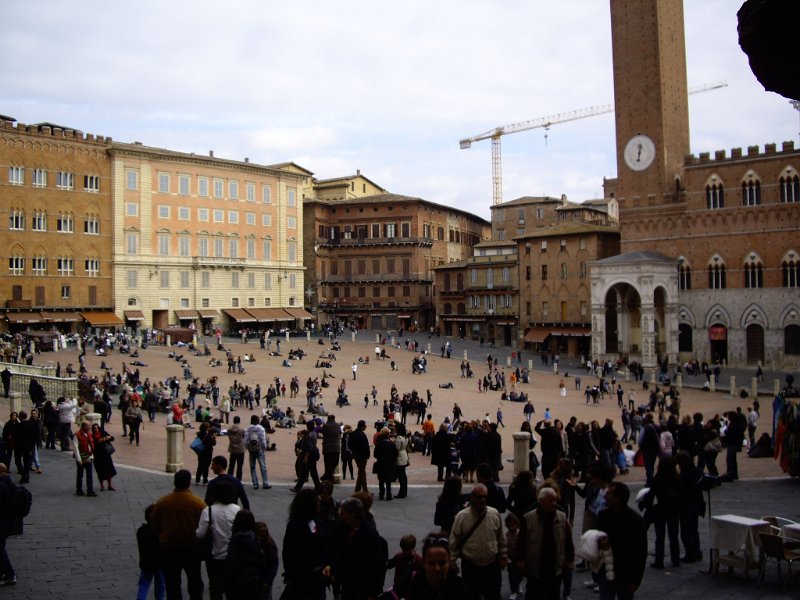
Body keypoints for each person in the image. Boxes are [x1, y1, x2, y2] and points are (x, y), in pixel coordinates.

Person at [151, 470, 207, 600]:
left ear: (174, 482)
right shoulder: (198, 503)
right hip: (192, 548)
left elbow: (154, 525)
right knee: (195, 581)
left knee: (172, 583)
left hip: (169, 549)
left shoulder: (163, 502)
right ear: (189, 483)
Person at [449, 484, 507, 600]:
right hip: (471, 565)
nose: (482, 500)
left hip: (491, 565)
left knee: (493, 594)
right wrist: (452, 560)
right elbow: (454, 540)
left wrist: (503, 556)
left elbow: (501, 537)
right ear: (471, 498)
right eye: (479, 497)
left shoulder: (494, 514)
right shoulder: (462, 517)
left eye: (485, 497)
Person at [323, 497, 388, 600]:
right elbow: (336, 548)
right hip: (348, 584)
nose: (340, 515)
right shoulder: (343, 527)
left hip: (363, 587)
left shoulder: (370, 536)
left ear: (352, 515)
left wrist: (373, 593)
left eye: (343, 513)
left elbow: (377, 566)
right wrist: (331, 566)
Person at [517, 486, 575, 600]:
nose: (554, 503)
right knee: (534, 593)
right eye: (550, 500)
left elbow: (568, 539)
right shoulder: (529, 518)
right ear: (541, 501)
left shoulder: (561, 517)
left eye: (554, 500)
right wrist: (520, 559)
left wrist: (570, 559)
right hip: (536, 564)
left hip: (555, 563)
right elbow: (522, 540)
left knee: (553, 593)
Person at [380, 531, 470, 599]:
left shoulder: (459, 588)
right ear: (423, 562)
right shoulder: (411, 580)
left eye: (442, 563)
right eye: (431, 563)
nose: (437, 568)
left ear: (449, 562)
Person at [596, 482, 647, 600]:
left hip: (625, 573)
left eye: (609, 494)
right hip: (606, 570)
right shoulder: (603, 515)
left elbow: (640, 551)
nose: (605, 496)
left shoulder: (635, 520)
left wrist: (635, 579)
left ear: (618, 498)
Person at [195, 480, 241, 600]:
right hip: (232, 555)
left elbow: (200, 534)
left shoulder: (208, 511)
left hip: (214, 556)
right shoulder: (237, 509)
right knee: (231, 585)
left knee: (215, 586)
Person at [282, 488, 326, 599]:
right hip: (302, 577)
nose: (319, 504)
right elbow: (288, 551)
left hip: (317, 576)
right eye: (317, 501)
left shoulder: (316, 520)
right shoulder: (295, 525)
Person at [224, 511, 273, 600]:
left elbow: (230, 567)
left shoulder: (234, 542)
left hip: (237, 586)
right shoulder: (255, 541)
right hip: (253, 587)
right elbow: (261, 564)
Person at [648, 456, 681, 569]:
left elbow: (652, 493)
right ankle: (675, 559)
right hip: (673, 508)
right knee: (674, 535)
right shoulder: (676, 477)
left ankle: (659, 560)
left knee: (660, 536)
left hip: (661, 508)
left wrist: (648, 507)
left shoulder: (658, 477)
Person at [675, 450, 704, 564]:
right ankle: (696, 551)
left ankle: (690, 554)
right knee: (694, 529)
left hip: (686, 504)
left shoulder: (684, 474)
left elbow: (681, 489)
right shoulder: (697, 471)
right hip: (696, 503)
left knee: (686, 531)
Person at [136, 504, 166, 600]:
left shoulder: (141, 531)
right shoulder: (160, 532)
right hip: (160, 563)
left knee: (143, 585)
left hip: (146, 563)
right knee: (160, 585)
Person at [0, 464, 17, 586]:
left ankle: (10, 574)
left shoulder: (2, 486)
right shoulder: (9, 483)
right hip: (8, 521)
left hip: (2, 521)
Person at [244, 415, 271, 490]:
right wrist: (264, 447)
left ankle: (255, 483)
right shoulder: (261, 428)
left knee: (252, 467)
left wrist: (247, 447)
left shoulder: (248, 428)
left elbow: (245, 440)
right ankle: (265, 483)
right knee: (263, 466)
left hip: (251, 449)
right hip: (259, 449)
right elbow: (263, 439)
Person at [374, 427, 399, 501]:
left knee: (381, 480)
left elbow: (375, 454)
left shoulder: (378, 444)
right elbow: (396, 454)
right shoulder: (391, 444)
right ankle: (388, 495)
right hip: (389, 463)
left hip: (381, 463)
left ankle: (381, 494)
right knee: (388, 480)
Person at [91, 423, 117, 491]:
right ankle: (102, 486)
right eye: (94, 428)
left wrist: (107, 438)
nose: (96, 429)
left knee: (109, 470)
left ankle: (109, 485)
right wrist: (98, 442)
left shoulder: (103, 433)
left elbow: (112, 438)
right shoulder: (92, 436)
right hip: (97, 456)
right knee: (100, 471)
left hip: (105, 455)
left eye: (97, 428)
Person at [74, 421, 97, 497]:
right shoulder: (77, 435)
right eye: (88, 426)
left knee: (90, 475)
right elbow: (76, 448)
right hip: (81, 457)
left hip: (89, 457)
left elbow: (91, 446)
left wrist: (92, 456)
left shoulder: (90, 434)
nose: (90, 427)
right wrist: (79, 459)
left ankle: (90, 490)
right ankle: (79, 490)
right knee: (80, 474)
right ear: (84, 427)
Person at [351, 419, 371, 493]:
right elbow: (366, 446)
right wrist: (368, 455)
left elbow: (350, 445)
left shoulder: (352, 434)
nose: (366, 427)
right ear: (362, 426)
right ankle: (365, 490)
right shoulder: (362, 435)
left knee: (360, 471)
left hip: (356, 455)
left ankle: (357, 488)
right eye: (365, 426)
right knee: (362, 472)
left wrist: (354, 452)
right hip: (363, 456)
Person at [321, 414, 342, 482]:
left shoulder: (325, 425)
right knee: (335, 462)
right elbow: (339, 433)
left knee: (327, 463)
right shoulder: (338, 425)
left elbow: (323, 433)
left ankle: (327, 476)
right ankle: (328, 476)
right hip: (336, 447)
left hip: (327, 447)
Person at [226, 416, 245, 480]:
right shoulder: (242, 429)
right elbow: (244, 437)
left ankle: (229, 478)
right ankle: (238, 480)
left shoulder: (229, 429)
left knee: (231, 465)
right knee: (239, 466)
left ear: (233, 421)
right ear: (239, 421)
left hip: (232, 448)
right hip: (240, 448)